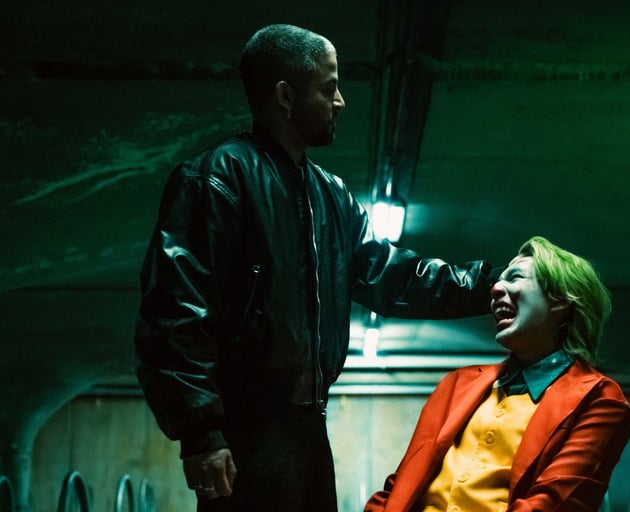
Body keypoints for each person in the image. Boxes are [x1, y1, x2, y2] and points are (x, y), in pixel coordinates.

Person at [133, 23, 498, 512]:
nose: (340, 101)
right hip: (246, 430)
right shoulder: (217, 179)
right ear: (286, 96)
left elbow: (392, 275)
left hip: (308, 425)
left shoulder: (330, 194)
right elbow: (175, 310)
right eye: (329, 88)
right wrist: (200, 432)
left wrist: (491, 285)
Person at [365, 236, 630, 512]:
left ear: (560, 299)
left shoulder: (599, 398)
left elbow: (554, 502)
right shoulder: (457, 383)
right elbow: (400, 485)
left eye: (515, 277)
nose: (494, 288)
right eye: (499, 280)